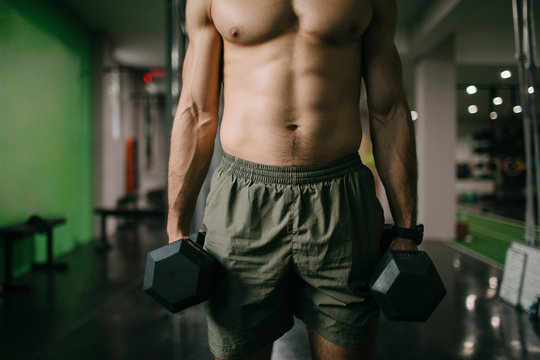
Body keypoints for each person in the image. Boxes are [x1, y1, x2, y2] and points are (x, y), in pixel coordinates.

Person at [167, 0, 419, 359]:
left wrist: (407, 229)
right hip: (243, 198)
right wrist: (175, 226)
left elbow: (389, 109)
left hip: (340, 198)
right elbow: (196, 112)